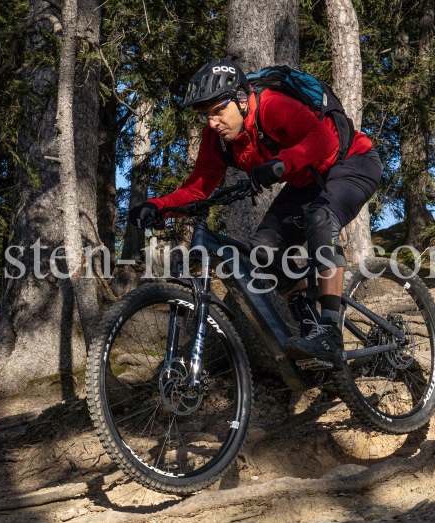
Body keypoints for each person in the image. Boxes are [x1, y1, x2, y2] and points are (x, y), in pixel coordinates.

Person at [127, 58, 382, 365]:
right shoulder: (216, 141)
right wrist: (157, 207)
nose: (212, 122)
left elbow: (324, 139)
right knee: (263, 252)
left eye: (218, 110)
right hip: (306, 180)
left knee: (320, 218)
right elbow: (196, 189)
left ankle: (329, 332)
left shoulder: (271, 106)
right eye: (205, 115)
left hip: (353, 163)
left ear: (240, 99)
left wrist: (281, 164)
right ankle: (311, 328)